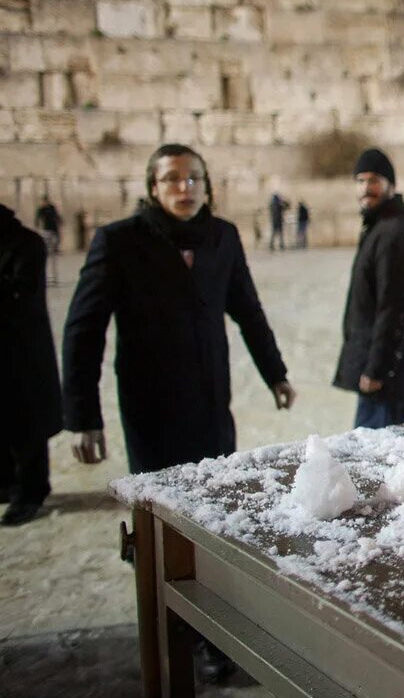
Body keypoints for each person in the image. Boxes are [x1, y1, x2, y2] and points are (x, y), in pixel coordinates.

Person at [62, 144, 296, 682]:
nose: (184, 188)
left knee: (215, 515)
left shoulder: (223, 237)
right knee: (161, 520)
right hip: (151, 407)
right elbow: (83, 329)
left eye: (193, 178)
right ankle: (172, 626)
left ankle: (214, 632)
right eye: (171, 179)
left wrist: (275, 372)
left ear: (206, 185)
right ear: (152, 187)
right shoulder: (119, 242)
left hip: (212, 403)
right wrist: (83, 415)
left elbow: (247, 309)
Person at [334, 148, 404, 429]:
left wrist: (377, 370)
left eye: (374, 180)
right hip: (397, 376)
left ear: (391, 185)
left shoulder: (394, 234)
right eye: (359, 181)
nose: (365, 189)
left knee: (370, 460)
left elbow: (397, 308)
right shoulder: (383, 227)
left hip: (388, 381)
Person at [0, 203, 62, 526]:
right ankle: (7, 485)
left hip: (20, 356)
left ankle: (31, 492)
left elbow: (19, 299)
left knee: (25, 428)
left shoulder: (26, 243)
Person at [34, 194, 61, 285]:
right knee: (48, 242)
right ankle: (48, 251)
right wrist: (37, 225)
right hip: (47, 229)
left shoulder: (52, 207)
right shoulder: (41, 209)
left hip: (54, 228)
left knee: (56, 240)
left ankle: (55, 249)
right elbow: (37, 218)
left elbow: (56, 215)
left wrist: (60, 221)